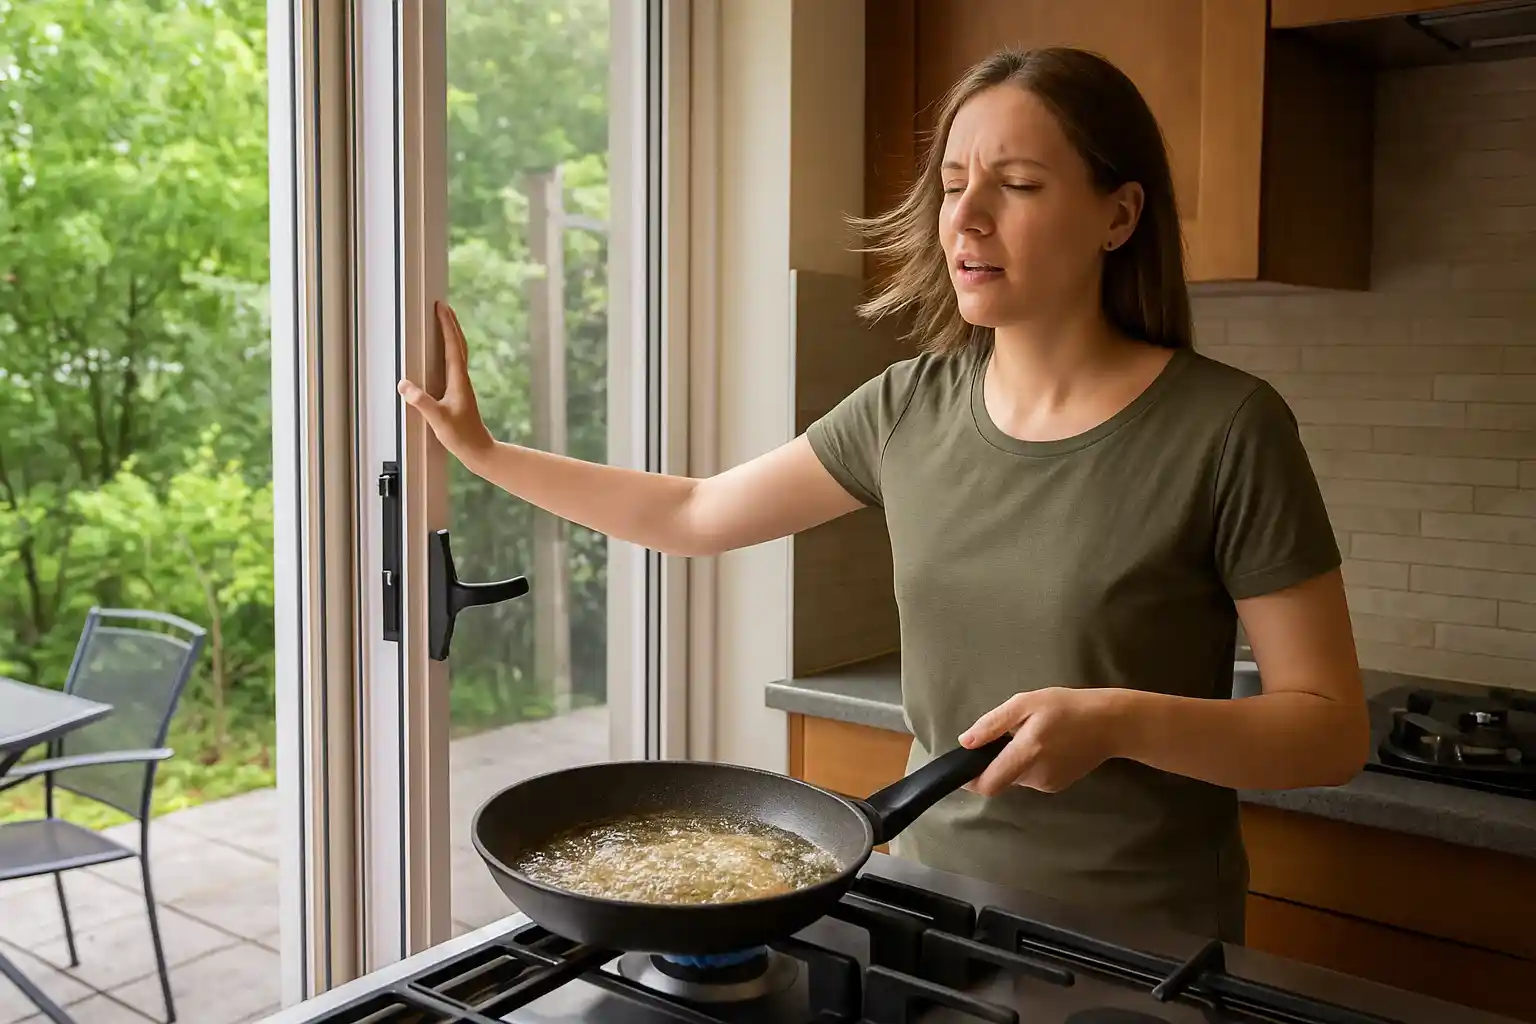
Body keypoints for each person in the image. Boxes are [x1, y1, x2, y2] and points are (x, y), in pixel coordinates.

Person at [398, 46, 1370, 943]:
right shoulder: (909, 406)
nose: (967, 217)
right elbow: (695, 514)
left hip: (1141, 953)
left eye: (1018, 184)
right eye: (953, 186)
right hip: (928, 912)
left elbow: (1327, 728)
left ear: (1119, 215)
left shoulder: (1229, 427)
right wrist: (487, 454)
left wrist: (1118, 719)